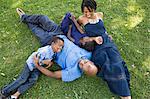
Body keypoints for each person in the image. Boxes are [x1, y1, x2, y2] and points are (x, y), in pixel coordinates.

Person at [77, 0, 131, 99]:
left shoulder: (100, 15)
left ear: (94, 9)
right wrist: (93, 39)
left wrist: (106, 34)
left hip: (107, 42)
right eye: (85, 12)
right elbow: (80, 36)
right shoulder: (81, 19)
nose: (88, 14)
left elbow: (103, 29)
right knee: (106, 64)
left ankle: (125, 92)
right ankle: (125, 94)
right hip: (96, 47)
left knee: (117, 62)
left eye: (90, 11)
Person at [0, 37, 64, 99]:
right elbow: (35, 59)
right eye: (59, 45)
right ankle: (4, 91)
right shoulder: (44, 51)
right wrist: (44, 61)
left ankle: (15, 95)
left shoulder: (53, 53)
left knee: (33, 79)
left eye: (62, 47)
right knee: (23, 79)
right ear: (53, 43)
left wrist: (50, 63)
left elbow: (49, 60)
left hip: (38, 67)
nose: (60, 48)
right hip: (31, 64)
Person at [33, 35, 98, 82]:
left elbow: (53, 74)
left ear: (83, 72)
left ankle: (24, 18)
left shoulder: (73, 73)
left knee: (37, 30)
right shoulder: (89, 54)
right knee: (43, 19)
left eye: (81, 66)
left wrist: (37, 66)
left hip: (51, 47)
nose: (81, 62)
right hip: (60, 36)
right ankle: (25, 17)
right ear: (91, 62)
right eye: (85, 62)